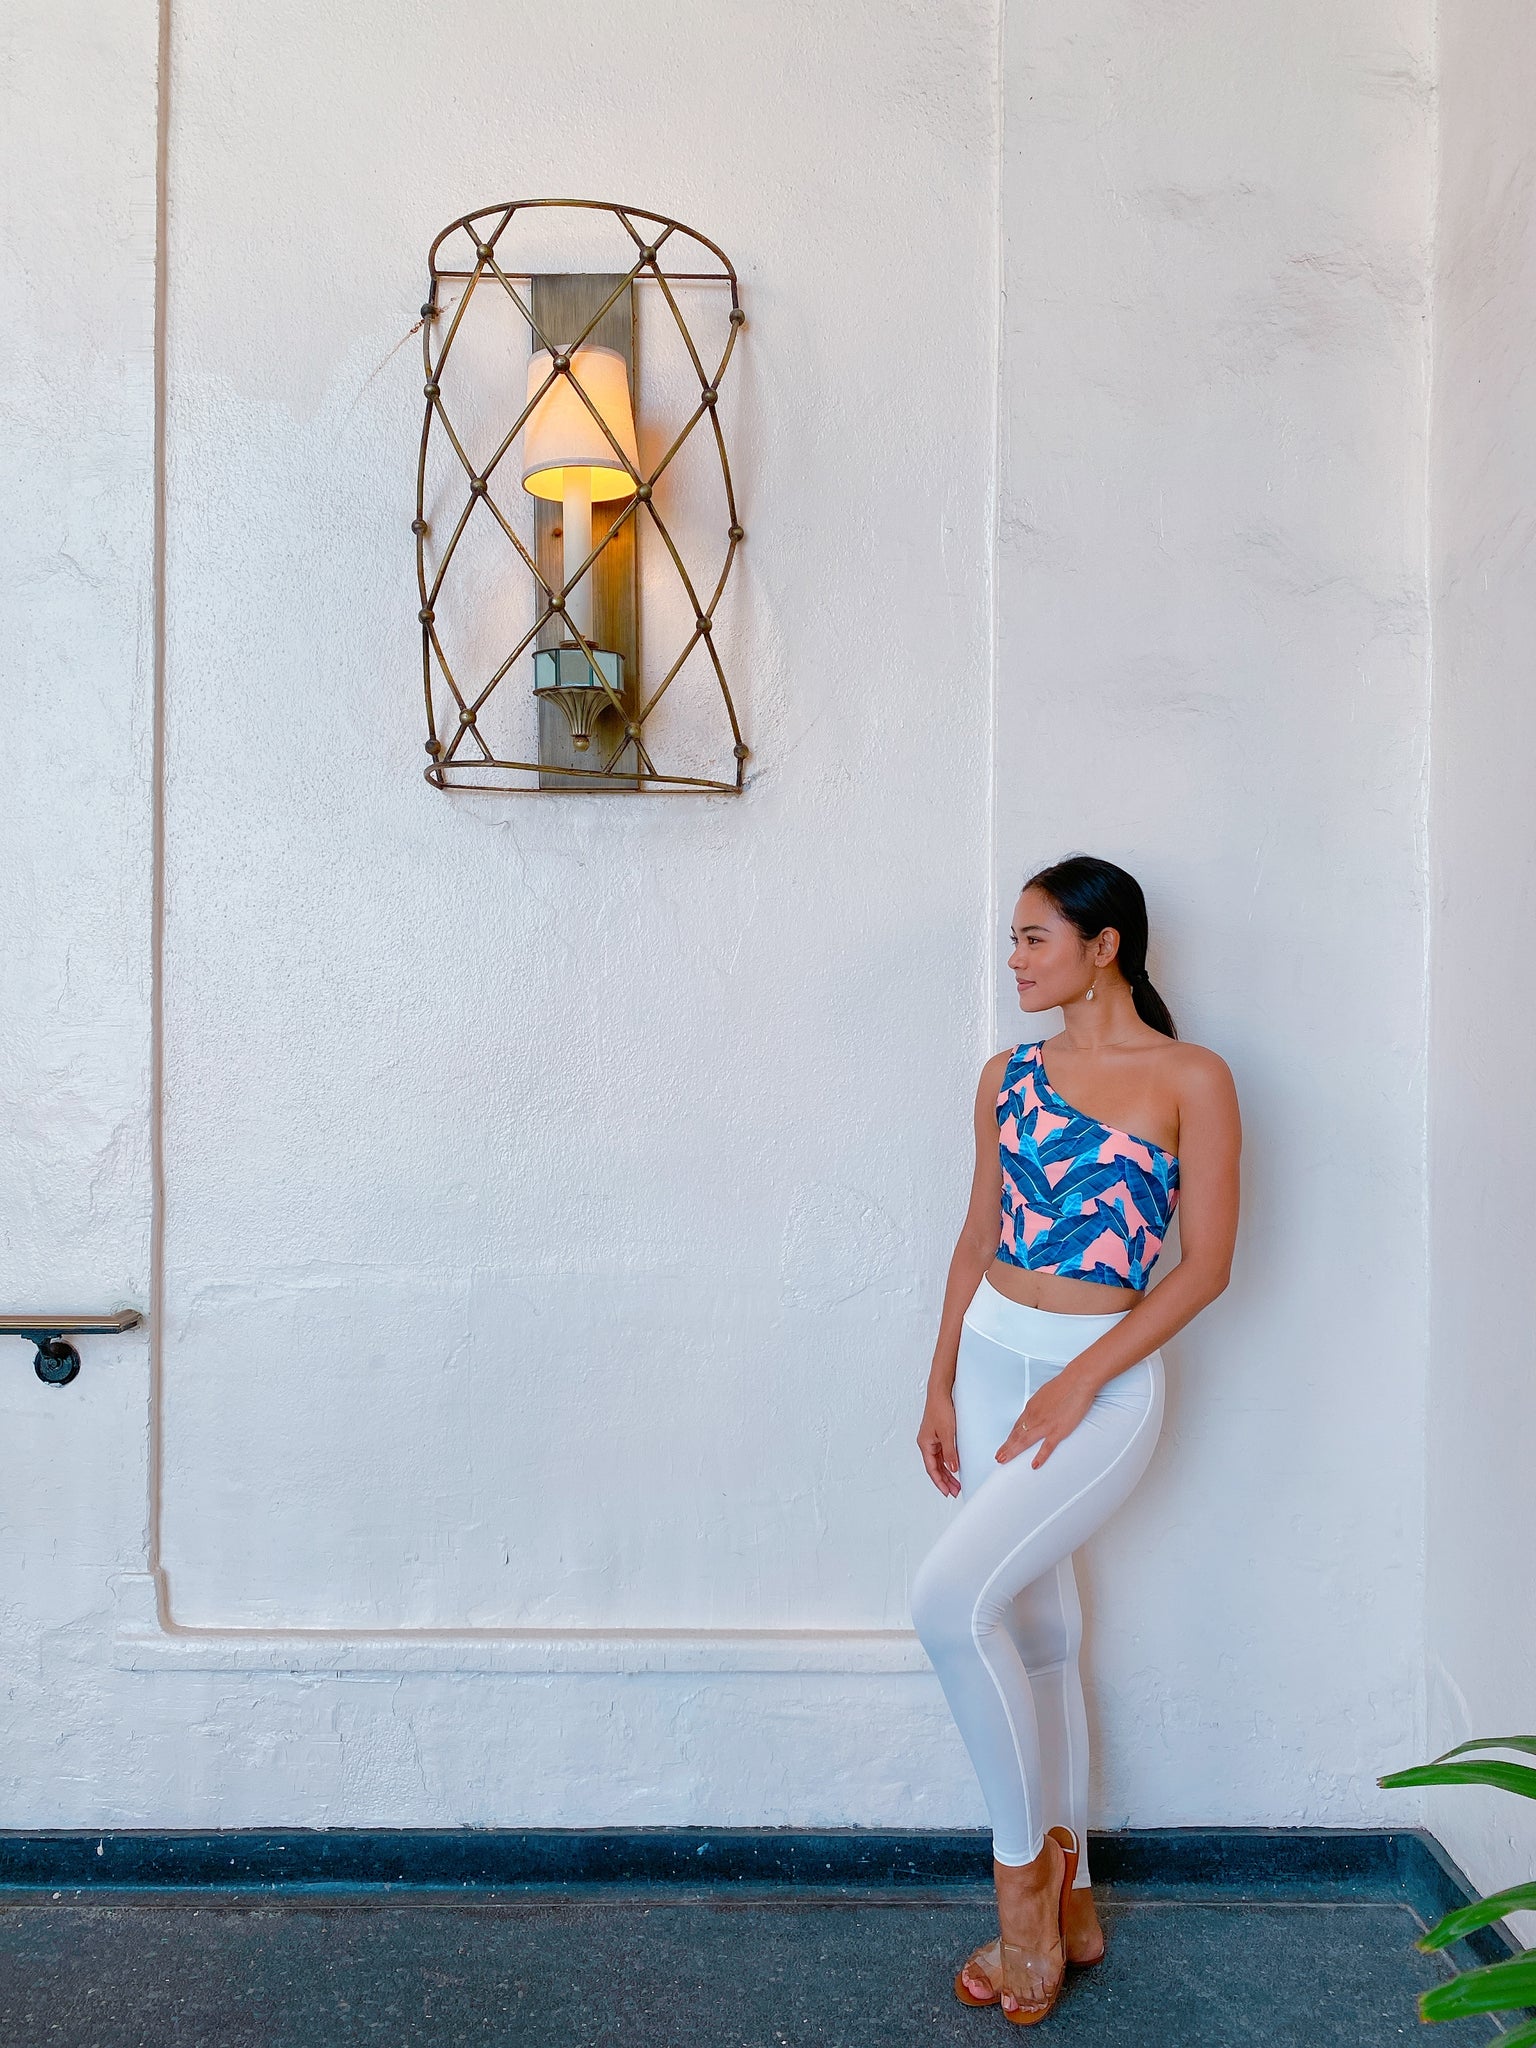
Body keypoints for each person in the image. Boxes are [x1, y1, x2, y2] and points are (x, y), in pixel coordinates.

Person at [911, 854, 1241, 2023]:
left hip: (1100, 1385)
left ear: (1105, 948)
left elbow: (1204, 1267)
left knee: (948, 1605)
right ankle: (1079, 1898)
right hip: (992, 1358)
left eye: (1034, 937)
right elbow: (975, 1234)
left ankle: (1023, 1906)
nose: (1014, 959)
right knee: (1042, 1630)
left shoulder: (1192, 1076)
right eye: (1013, 937)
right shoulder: (1007, 1075)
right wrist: (940, 1379)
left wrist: (1077, 1382)